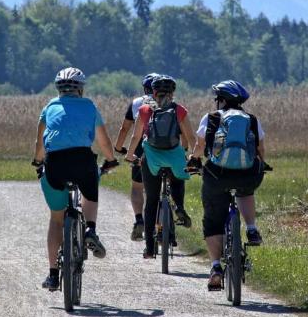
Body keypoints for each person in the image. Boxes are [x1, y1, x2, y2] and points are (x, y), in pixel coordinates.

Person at [32, 67, 119, 291]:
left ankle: (53, 274)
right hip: (82, 161)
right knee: (90, 191)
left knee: (56, 219)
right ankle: (90, 228)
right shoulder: (89, 107)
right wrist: (110, 160)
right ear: (80, 89)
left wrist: (38, 162)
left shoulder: (49, 107)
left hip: (55, 165)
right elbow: (104, 142)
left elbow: (39, 145)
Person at [187, 80, 266, 290]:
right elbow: (260, 150)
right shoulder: (251, 119)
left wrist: (193, 160)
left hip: (217, 175)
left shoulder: (212, 118)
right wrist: (259, 166)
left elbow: (200, 145)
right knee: (246, 191)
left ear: (222, 100)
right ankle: (251, 229)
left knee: (213, 219)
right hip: (247, 175)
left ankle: (215, 267)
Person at [125, 75, 195, 258]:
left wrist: (130, 154)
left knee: (152, 202)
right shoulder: (179, 110)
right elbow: (190, 137)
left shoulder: (144, 110)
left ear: (153, 92)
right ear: (172, 93)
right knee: (179, 179)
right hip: (174, 157)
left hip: (152, 159)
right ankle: (179, 206)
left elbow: (135, 137)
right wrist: (192, 155)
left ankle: (149, 247)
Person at [113, 73, 159, 241]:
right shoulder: (169, 103)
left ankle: (139, 219)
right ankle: (166, 220)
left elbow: (125, 129)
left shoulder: (137, 103)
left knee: (137, 186)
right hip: (165, 149)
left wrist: (119, 147)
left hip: (141, 148)